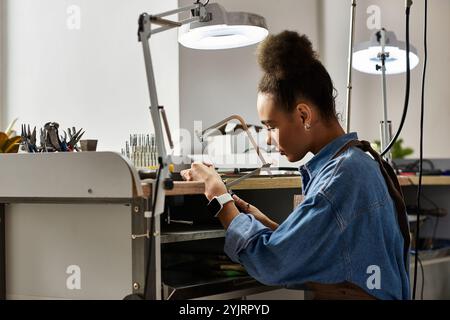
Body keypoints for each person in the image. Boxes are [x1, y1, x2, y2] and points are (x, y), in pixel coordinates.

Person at [180, 31, 410, 300]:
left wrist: (217, 194)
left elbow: (271, 263)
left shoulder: (339, 179)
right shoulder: (357, 161)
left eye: (272, 126)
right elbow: (321, 248)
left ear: (303, 115)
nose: (267, 138)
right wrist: (262, 221)